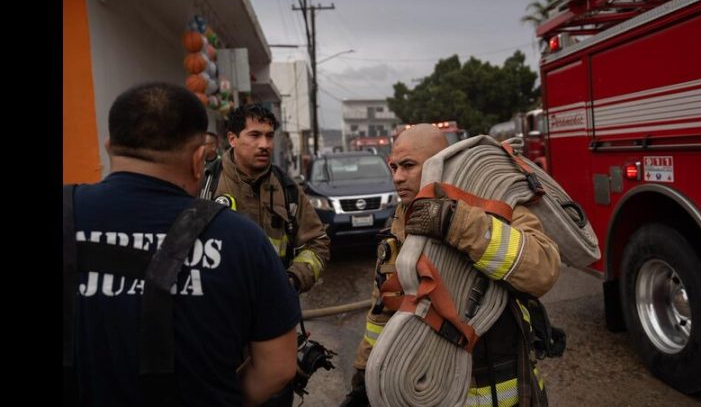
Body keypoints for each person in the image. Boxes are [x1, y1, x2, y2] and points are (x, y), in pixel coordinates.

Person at [64, 82, 301, 406]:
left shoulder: (67, 213)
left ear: (109, 146)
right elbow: (278, 367)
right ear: (197, 159)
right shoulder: (241, 238)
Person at [342, 124, 561, 407]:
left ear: (441, 164)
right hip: (423, 389)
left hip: (494, 390)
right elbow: (383, 306)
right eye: (393, 167)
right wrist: (364, 372)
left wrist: (457, 224)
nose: (397, 177)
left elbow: (543, 270)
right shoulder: (399, 222)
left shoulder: (495, 208)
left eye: (408, 166)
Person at [206, 103, 331, 406]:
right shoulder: (205, 185)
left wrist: (289, 281)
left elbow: (318, 244)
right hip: (216, 326)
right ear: (232, 138)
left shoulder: (287, 189)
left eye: (269, 135)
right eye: (254, 135)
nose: (264, 144)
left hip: (272, 328)